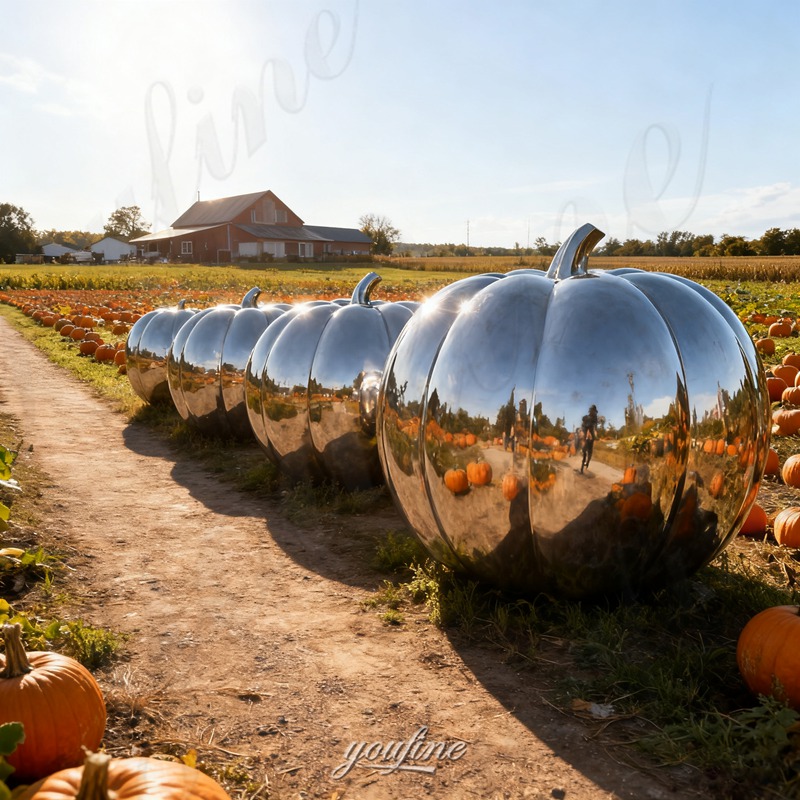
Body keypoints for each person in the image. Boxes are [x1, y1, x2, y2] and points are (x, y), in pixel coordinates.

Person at [580, 404, 598, 473]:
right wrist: (583, 432)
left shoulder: (595, 418)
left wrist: (594, 434)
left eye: (593, 411)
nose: (591, 412)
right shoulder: (586, 417)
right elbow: (583, 425)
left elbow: (595, 427)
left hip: (591, 433)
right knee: (584, 450)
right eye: (591, 410)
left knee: (590, 452)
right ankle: (583, 461)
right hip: (586, 432)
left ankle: (587, 463)